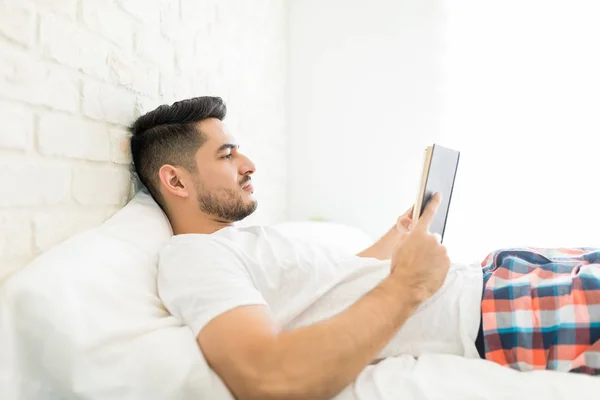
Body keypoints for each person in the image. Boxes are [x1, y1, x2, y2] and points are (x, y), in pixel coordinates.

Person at [130, 96, 600, 400]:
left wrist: (399, 235)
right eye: (227, 154)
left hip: (505, 274)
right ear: (175, 179)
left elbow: (337, 285)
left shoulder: (247, 243)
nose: (249, 164)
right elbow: (267, 376)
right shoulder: (192, 256)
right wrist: (408, 284)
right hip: (492, 308)